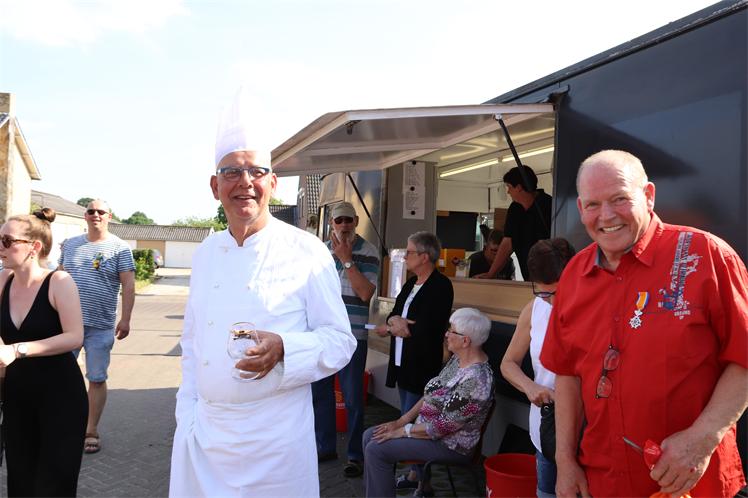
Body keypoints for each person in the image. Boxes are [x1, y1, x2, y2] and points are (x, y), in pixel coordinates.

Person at [169, 90, 356, 498]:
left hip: (275, 442)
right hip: (205, 439)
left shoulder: (306, 250)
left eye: (256, 171)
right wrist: (187, 417)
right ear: (215, 185)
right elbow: (192, 344)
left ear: (273, 182)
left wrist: (286, 347)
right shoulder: (205, 253)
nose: (245, 183)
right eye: (232, 172)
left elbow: (341, 341)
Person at [540, 150, 748, 497]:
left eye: (619, 199)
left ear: (648, 195)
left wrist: (701, 438)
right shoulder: (575, 274)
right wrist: (565, 461)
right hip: (603, 481)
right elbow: (567, 374)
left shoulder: (705, 255)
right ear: (580, 208)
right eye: (593, 204)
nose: (607, 216)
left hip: (690, 483)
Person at [0, 208, 88, 496]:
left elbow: (75, 336)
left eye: (7, 240)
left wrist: (18, 350)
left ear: (34, 247)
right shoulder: (3, 280)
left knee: (54, 484)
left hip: (60, 396)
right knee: (20, 480)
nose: (0, 246)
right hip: (16, 396)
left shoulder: (59, 282)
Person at [365, 307, 495, 498]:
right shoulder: (458, 360)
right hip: (428, 433)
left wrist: (403, 431)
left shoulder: (477, 380)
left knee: (377, 449)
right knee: (370, 435)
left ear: (465, 341)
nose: (446, 334)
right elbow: (432, 394)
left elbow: (441, 427)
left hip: (450, 445)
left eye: (451, 331)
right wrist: (401, 421)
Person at [374, 231, 453, 491]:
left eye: (409, 252)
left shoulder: (441, 286)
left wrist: (402, 327)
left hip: (422, 364)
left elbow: (428, 327)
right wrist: (395, 323)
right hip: (402, 361)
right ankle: (417, 476)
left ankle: (420, 479)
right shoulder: (410, 283)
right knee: (406, 416)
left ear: (424, 256)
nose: (404, 256)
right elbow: (395, 314)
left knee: (413, 420)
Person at [500, 238, 576, 498]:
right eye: (544, 294)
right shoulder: (534, 309)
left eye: (559, 292)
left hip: (586, 431)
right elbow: (508, 363)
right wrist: (530, 387)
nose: (552, 302)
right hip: (546, 428)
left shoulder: (592, 307)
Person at [59, 199, 135, 454]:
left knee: (97, 377)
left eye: (101, 211)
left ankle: (90, 430)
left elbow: (128, 285)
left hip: (101, 326)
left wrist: (126, 319)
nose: (95, 215)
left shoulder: (120, 248)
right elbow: (58, 278)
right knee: (61, 376)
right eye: (91, 211)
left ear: (109, 216)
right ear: (85, 216)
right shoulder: (70, 245)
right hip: (66, 324)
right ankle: (64, 424)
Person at [312, 201, 380, 477]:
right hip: (322, 334)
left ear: (356, 221)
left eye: (348, 220)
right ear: (331, 223)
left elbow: (365, 293)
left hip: (353, 335)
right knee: (320, 394)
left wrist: (346, 259)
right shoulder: (319, 251)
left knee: (353, 399)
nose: (343, 225)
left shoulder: (369, 251)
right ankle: (324, 447)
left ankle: (354, 455)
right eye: (338, 220)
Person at [475, 165, 551, 280]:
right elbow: (508, 242)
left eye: (509, 187)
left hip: (549, 276)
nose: (508, 192)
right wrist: (491, 274)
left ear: (519, 187)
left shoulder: (548, 205)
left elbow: (547, 245)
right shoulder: (515, 208)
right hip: (528, 277)